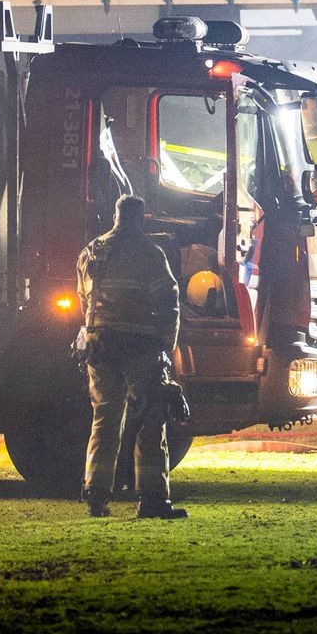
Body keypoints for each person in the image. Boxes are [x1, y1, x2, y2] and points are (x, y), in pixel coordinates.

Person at [77, 194, 185, 519]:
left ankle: (96, 496)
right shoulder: (149, 253)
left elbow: (83, 300)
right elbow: (169, 302)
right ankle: (153, 500)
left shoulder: (91, 251)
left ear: (116, 216)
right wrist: (167, 346)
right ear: (141, 218)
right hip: (140, 347)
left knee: (104, 418)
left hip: (98, 345)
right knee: (151, 421)